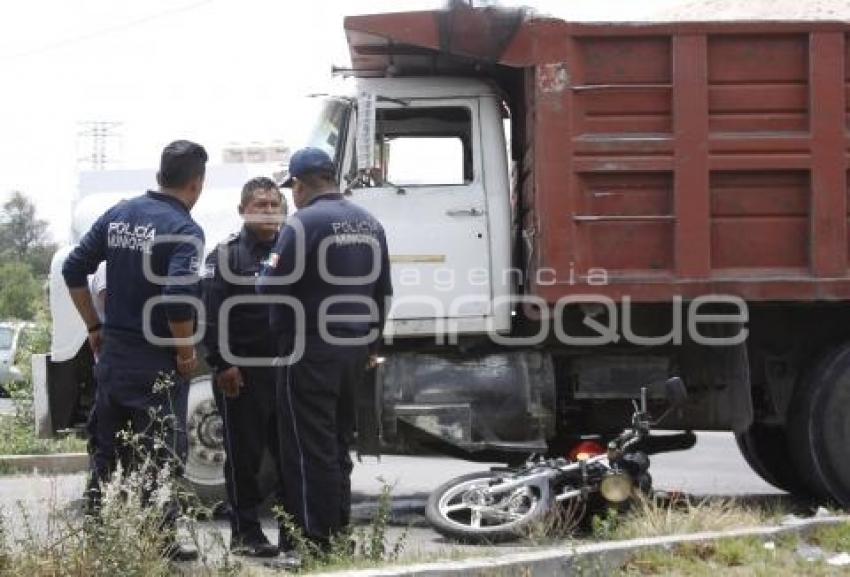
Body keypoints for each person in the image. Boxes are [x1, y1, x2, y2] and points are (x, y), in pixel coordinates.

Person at [62, 140, 208, 561]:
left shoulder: (120, 213)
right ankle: (157, 543)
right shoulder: (184, 230)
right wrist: (185, 353)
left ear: (161, 174)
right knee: (160, 450)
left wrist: (94, 325)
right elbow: (177, 299)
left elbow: (75, 269)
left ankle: (97, 535)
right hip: (156, 361)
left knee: (106, 448)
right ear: (196, 184)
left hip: (114, 356)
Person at [257, 147, 393, 554]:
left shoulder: (304, 223)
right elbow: (383, 293)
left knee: (306, 449)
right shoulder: (369, 222)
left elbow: (269, 287)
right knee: (336, 446)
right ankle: (338, 535)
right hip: (354, 352)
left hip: (310, 351)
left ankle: (314, 544)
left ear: (299, 184)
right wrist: (371, 343)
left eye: (291, 188)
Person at [202, 177, 287, 557]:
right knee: (244, 460)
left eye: (275, 204)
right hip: (243, 376)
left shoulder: (294, 251)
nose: (269, 211)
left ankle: (294, 534)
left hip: (288, 373)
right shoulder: (225, 256)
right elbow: (211, 317)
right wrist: (223, 365)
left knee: (290, 461)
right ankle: (246, 534)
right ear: (242, 210)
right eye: (260, 204)